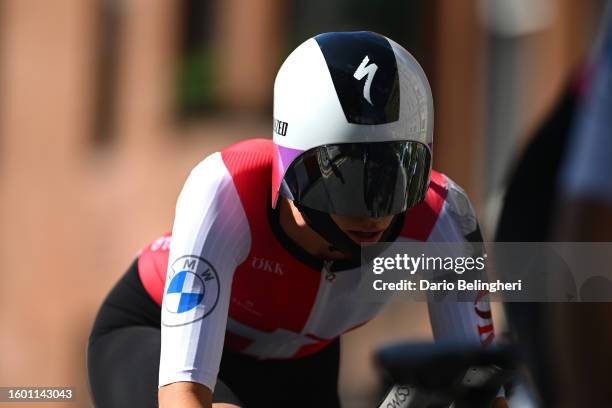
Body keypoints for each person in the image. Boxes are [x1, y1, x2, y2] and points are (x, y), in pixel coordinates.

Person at [87, 31, 498, 408]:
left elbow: (483, 393)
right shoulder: (225, 188)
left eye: (396, 178)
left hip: (301, 364)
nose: (375, 211)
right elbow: (185, 393)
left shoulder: (444, 217)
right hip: (154, 335)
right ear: (293, 167)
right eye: (349, 181)